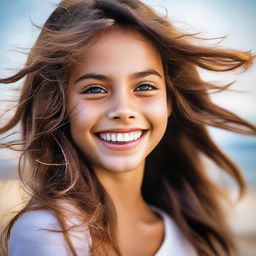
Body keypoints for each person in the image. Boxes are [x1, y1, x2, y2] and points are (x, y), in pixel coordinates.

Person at [0, 0, 255, 255]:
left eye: (144, 86)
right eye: (94, 89)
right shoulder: (49, 231)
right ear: (58, 105)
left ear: (169, 101)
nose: (123, 110)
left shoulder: (187, 229)